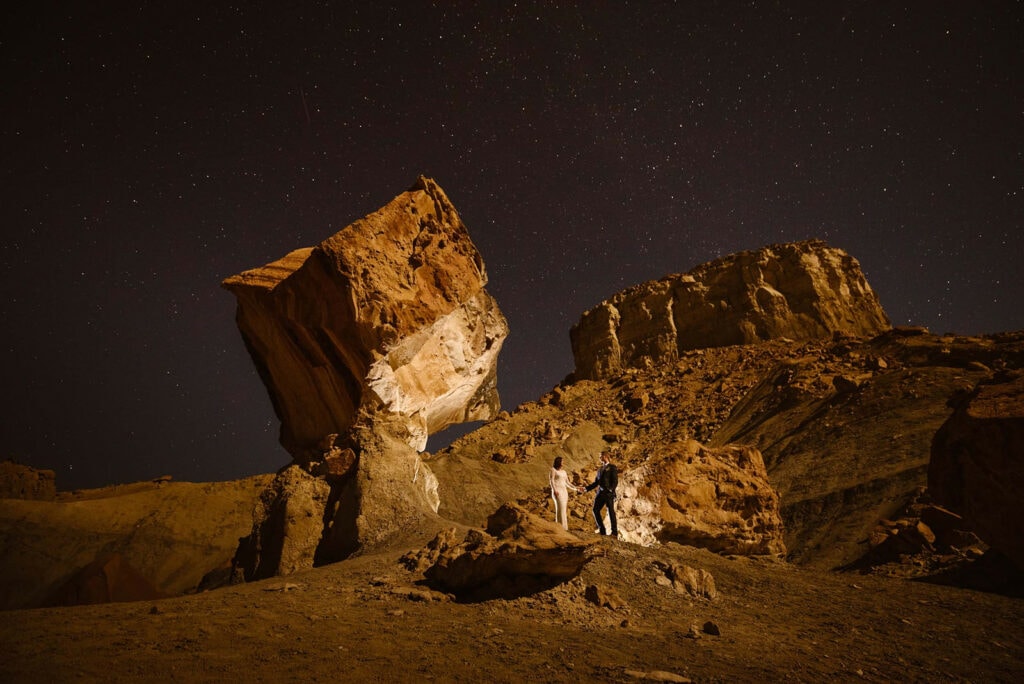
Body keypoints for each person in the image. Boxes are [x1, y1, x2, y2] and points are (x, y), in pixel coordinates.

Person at [585, 451, 618, 536]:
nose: (599, 458)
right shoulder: (600, 469)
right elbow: (596, 483)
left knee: (611, 511)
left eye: (600, 456)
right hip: (600, 493)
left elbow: (615, 481)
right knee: (595, 510)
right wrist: (586, 489)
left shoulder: (612, 467)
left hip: (608, 494)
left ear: (605, 456)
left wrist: (610, 490)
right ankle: (602, 530)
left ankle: (614, 533)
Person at [549, 455, 580, 530]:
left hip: (564, 491)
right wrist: (555, 490)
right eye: (562, 461)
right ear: (558, 462)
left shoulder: (564, 471)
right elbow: (551, 481)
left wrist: (575, 488)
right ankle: (562, 528)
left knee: (563, 509)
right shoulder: (553, 470)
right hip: (557, 491)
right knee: (560, 508)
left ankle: (561, 526)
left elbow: (567, 483)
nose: (563, 462)